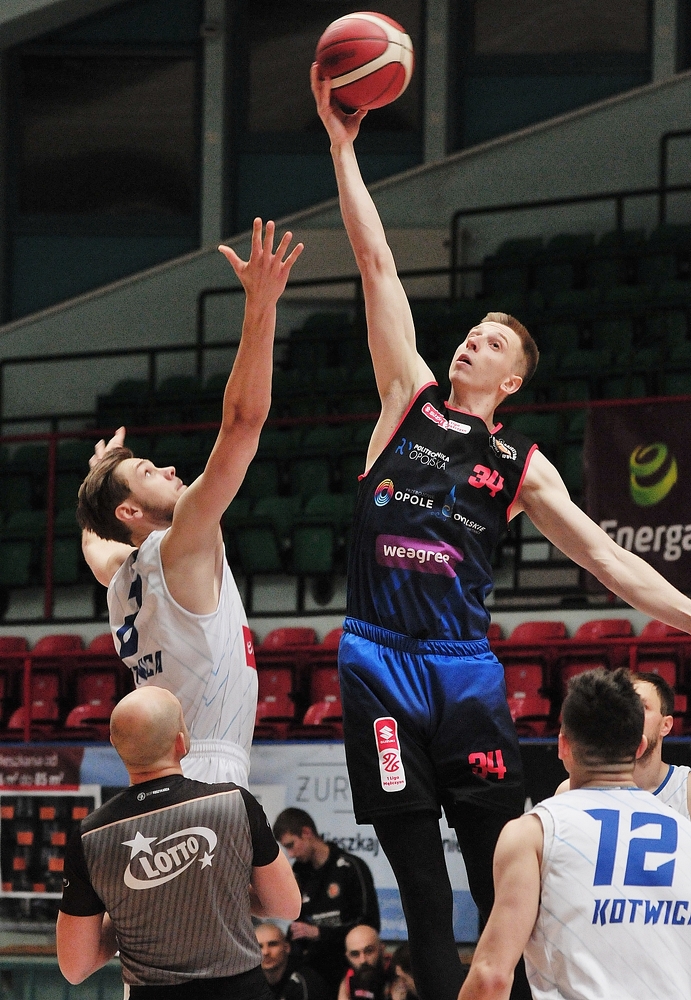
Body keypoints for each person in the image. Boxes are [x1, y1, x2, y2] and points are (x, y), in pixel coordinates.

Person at [310, 64, 691, 1000]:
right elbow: (376, 265)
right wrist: (343, 149)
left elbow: (606, 558)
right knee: (421, 888)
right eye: (470, 333)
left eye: (491, 341)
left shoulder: (521, 463)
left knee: (497, 875)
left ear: (512, 380)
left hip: (462, 668)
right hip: (377, 658)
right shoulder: (406, 404)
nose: (470, 341)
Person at [77, 219, 303, 787]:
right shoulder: (185, 541)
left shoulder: (118, 575)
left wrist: (103, 473)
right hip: (208, 771)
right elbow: (242, 423)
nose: (170, 470)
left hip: (159, 775)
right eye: (148, 472)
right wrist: (261, 306)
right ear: (130, 513)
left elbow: (94, 540)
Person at [458, 668, 691, 1000]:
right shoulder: (685, 830)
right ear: (639, 746)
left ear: (562, 745)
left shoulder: (533, 832)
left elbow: (491, 976)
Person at [56, 686, 301, 998]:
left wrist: (132, 911)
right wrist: (220, 895)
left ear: (115, 744)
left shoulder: (90, 837)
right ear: (181, 742)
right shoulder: (235, 804)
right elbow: (285, 905)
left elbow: (75, 966)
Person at [273, 808, 380, 997]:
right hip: (313, 968)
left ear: (306, 833)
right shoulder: (299, 874)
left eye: (291, 845)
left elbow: (369, 924)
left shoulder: (350, 867)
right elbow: (298, 924)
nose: (290, 854)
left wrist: (319, 932)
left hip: (349, 965)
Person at [557, 670, 691, 818]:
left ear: (666, 725)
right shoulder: (570, 790)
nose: (632, 715)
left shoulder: (686, 788)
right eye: (624, 708)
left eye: (642, 706)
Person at [256, 922, 331, 1000]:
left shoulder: (305, 982)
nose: (265, 952)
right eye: (259, 946)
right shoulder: (252, 982)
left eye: (273, 944)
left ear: (287, 948)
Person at [337, 925, 388, 1000]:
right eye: (355, 954)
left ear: (382, 949)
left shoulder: (397, 972)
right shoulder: (349, 980)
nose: (363, 960)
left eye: (369, 951)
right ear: (348, 957)